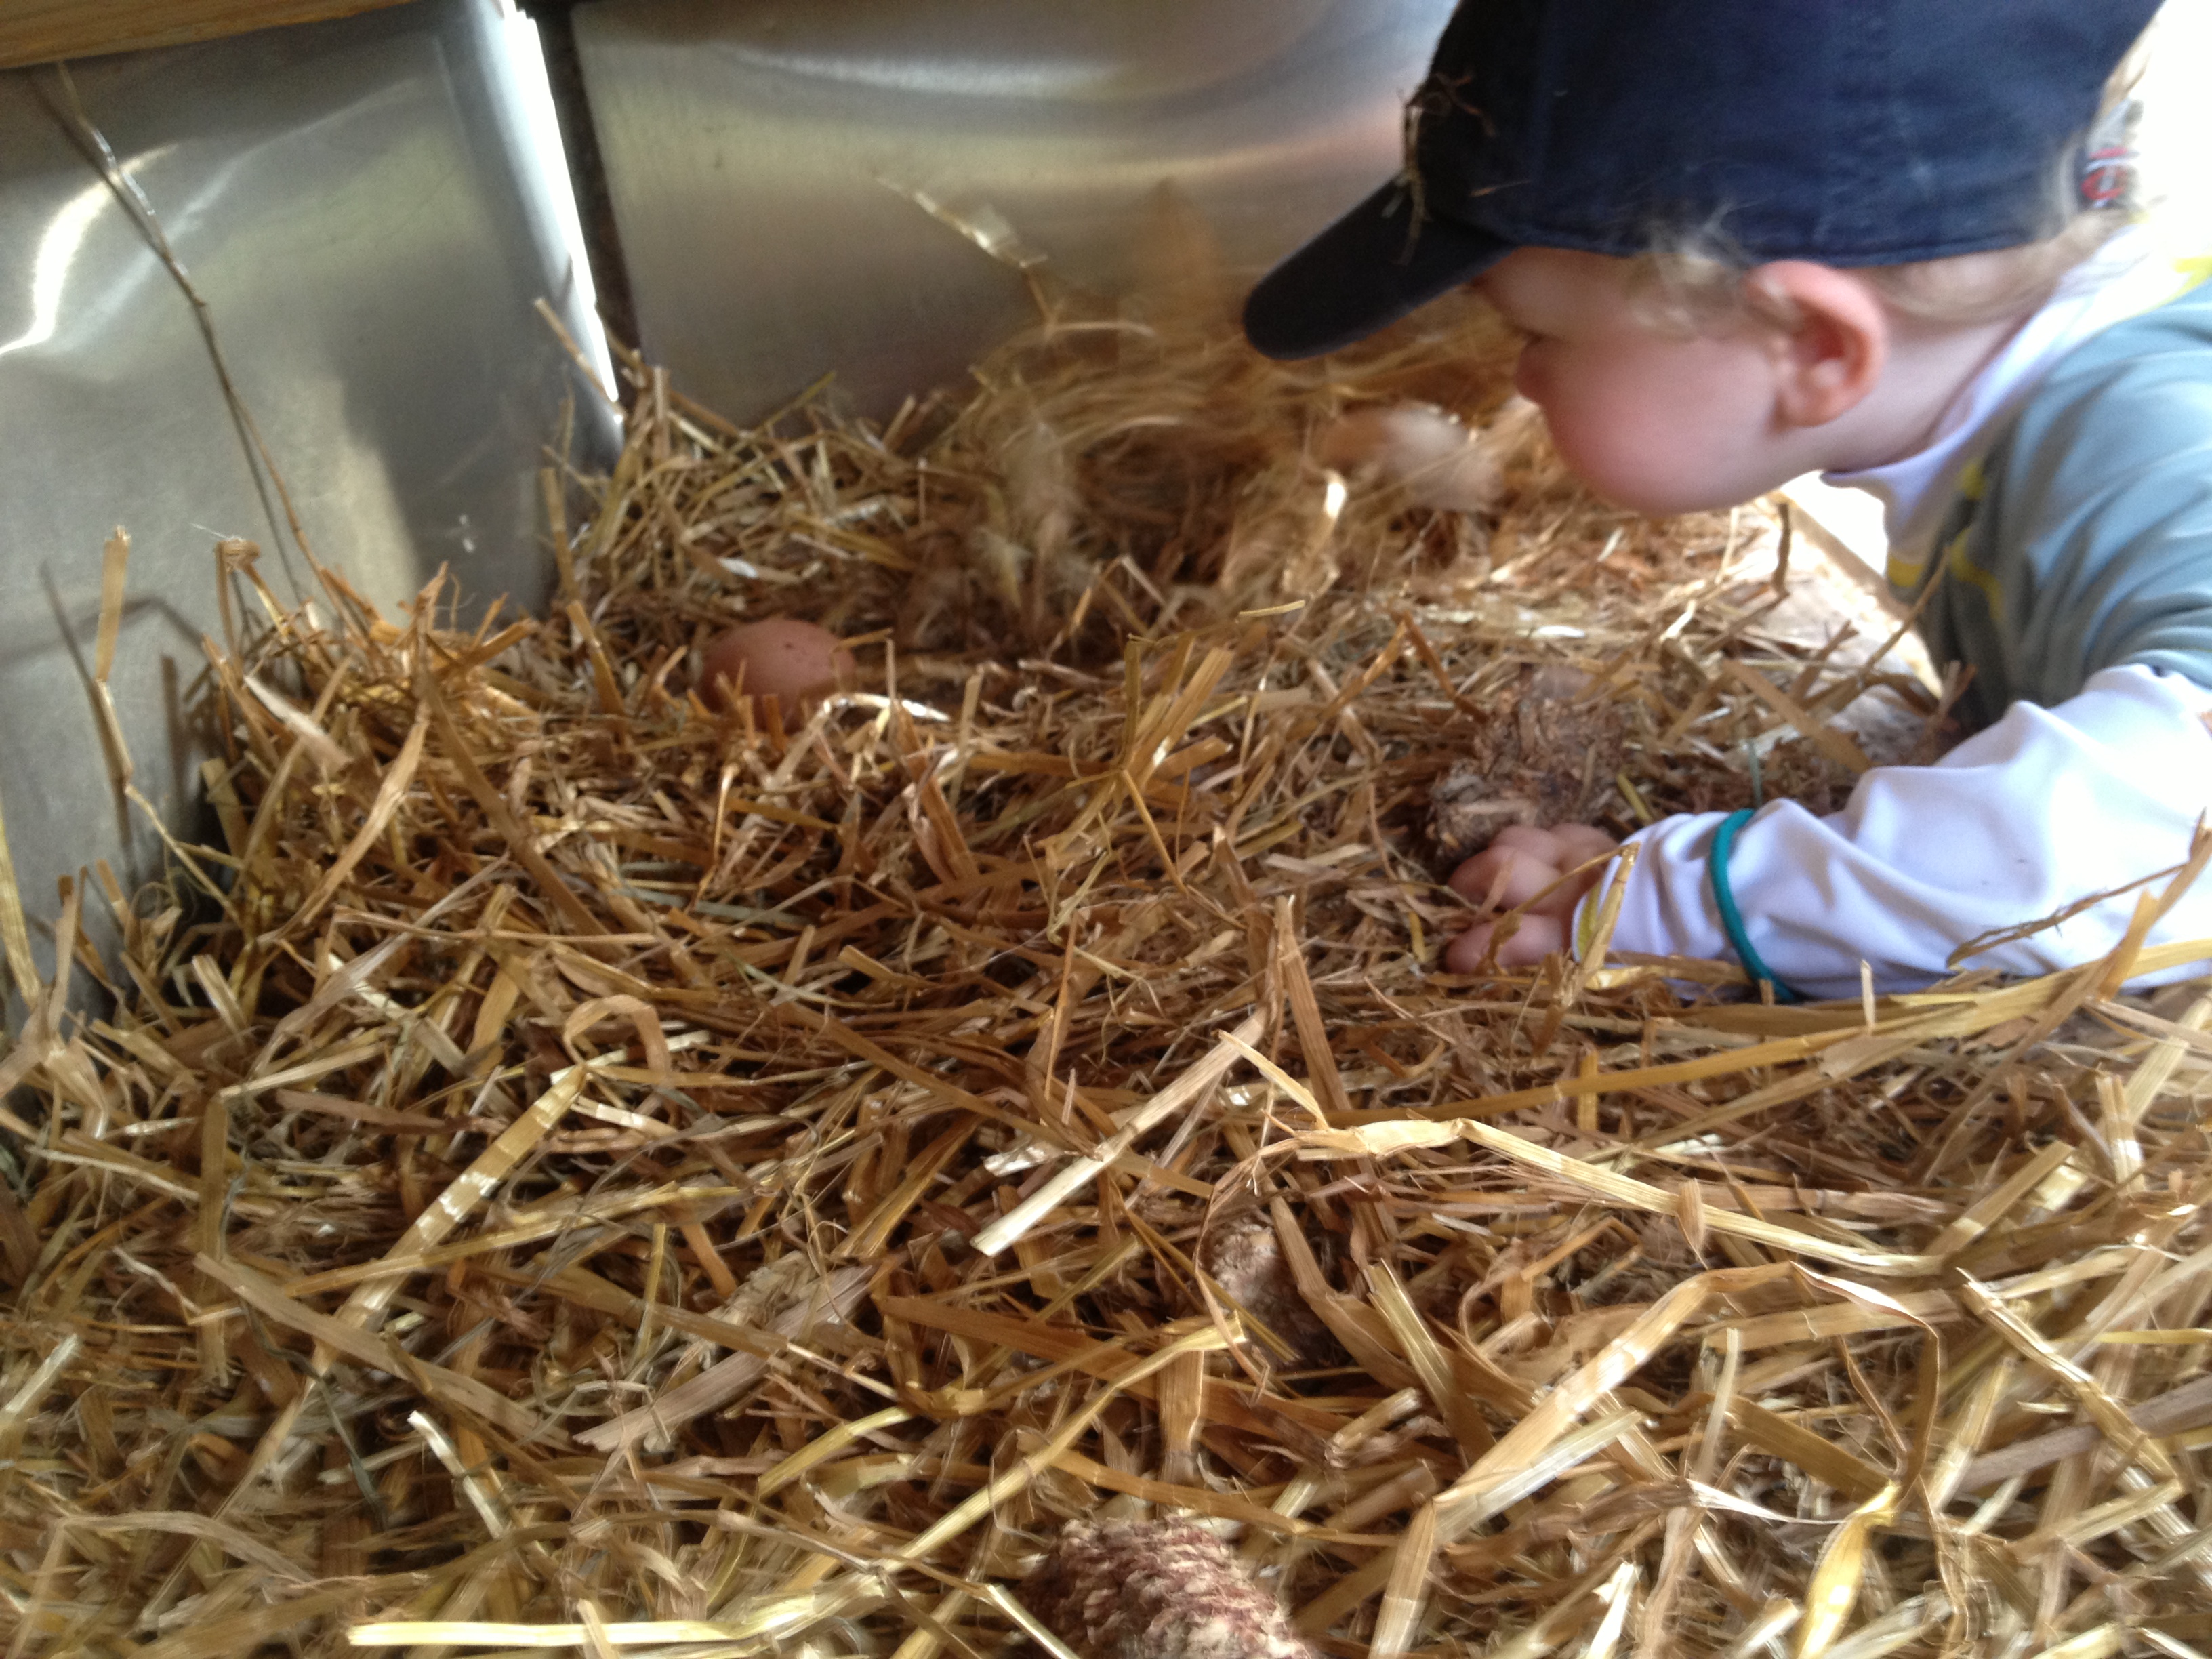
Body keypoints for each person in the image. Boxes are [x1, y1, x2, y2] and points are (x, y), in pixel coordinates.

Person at [1243, 0, 2212, 1001]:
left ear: (1813, 347)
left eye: (1540, 336)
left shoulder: (2153, 446)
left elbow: (2183, 826)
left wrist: (1674, 907)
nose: (1521, 380)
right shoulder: (2019, 426)